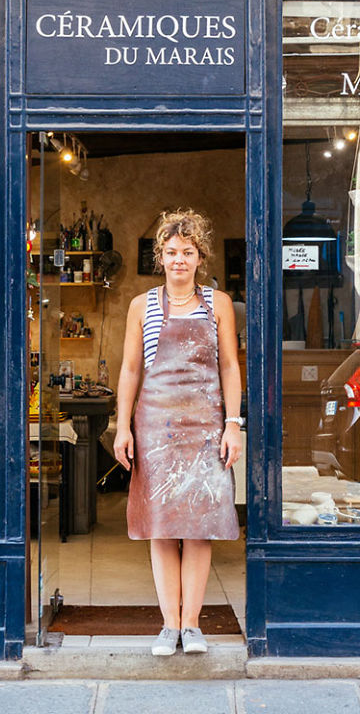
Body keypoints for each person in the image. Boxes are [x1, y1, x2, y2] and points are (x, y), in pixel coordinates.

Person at [113, 209, 244, 657]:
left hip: (206, 427)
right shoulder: (141, 306)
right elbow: (131, 369)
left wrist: (233, 424)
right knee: (163, 529)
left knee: (199, 528)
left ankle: (193, 626)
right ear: (161, 257)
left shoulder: (219, 303)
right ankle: (169, 626)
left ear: (200, 256)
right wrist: (122, 427)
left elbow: (229, 366)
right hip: (155, 428)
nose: (179, 260)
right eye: (171, 252)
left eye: (187, 252)